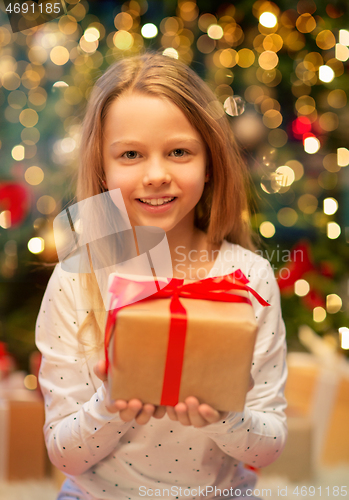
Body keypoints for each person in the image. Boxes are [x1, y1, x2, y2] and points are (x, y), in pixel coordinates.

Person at [35, 50, 288, 500]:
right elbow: (64, 455)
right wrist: (112, 401)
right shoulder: (78, 280)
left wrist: (224, 415)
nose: (156, 174)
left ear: (209, 163)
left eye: (179, 152)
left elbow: (268, 447)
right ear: (102, 167)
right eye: (131, 154)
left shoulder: (250, 276)